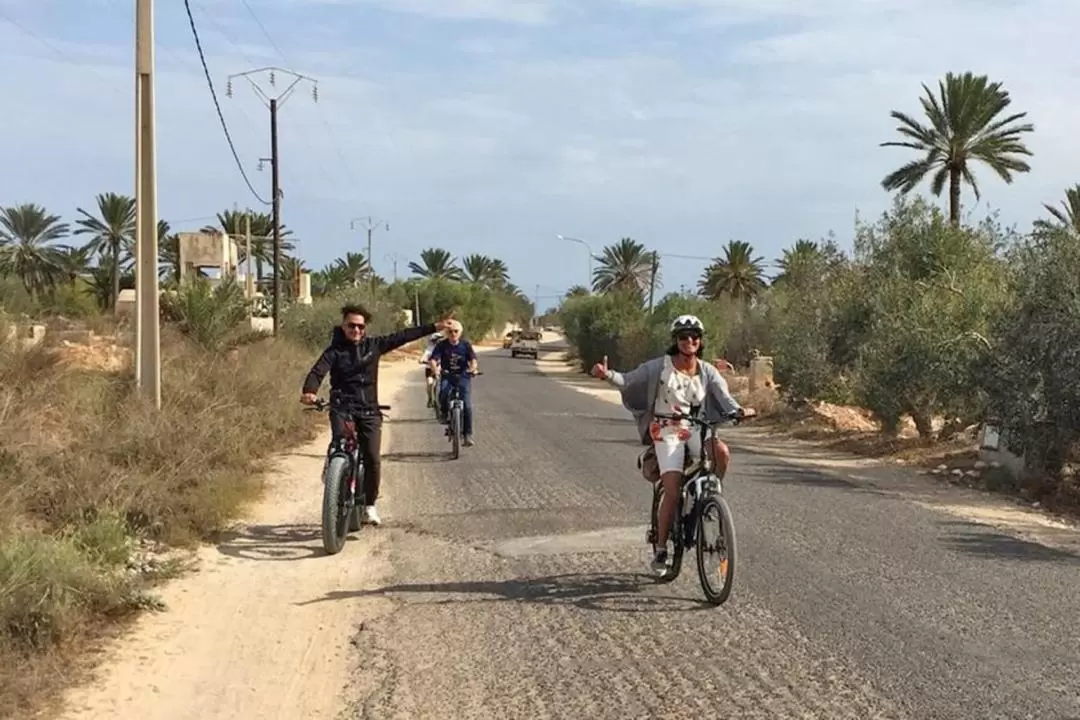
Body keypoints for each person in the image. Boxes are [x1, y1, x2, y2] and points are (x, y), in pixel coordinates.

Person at [590, 314, 756, 571]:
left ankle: (711, 497)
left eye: (694, 336)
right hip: (666, 430)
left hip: (695, 428)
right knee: (672, 488)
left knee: (720, 451)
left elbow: (725, 398)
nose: (689, 340)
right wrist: (606, 374)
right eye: (683, 336)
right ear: (675, 341)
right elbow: (628, 379)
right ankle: (661, 548)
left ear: (700, 341)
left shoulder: (707, 371)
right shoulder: (659, 367)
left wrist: (739, 411)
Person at [301, 304, 456, 526]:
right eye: (351, 325)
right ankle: (335, 468)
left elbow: (404, 336)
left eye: (360, 326)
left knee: (372, 458)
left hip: (369, 410)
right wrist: (309, 391)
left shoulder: (374, 346)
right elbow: (318, 371)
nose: (356, 330)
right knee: (340, 443)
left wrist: (434, 326)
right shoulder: (333, 351)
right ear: (343, 326)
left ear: (365, 329)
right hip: (342, 408)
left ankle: (369, 505)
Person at [429, 319, 479, 446]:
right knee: (443, 394)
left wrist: (473, 369)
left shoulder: (465, 345)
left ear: (460, 332)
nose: (453, 333)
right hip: (447, 375)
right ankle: (445, 414)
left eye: (456, 331)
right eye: (450, 331)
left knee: (467, 405)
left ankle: (467, 435)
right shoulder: (442, 345)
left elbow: (473, 359)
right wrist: (435, 370)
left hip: (463, 376)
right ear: (447, 332)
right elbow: (433, 359)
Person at [419, 332, 444, 408]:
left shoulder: (443, 349)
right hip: (430, 370)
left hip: (440, 369)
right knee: (430, 384)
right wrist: (425, 361)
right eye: (437, 340)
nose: (439, 341)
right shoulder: (429, 350)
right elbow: (421, 359)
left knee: (441, 385)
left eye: (440, 339)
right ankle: (430, 398)